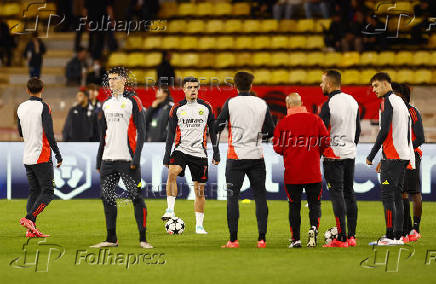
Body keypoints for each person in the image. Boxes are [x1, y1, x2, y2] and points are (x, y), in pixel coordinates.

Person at [92, 67, 151, 249]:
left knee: (136, 197)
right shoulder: (106, 103)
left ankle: (143, 239)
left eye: (116, 78)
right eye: (110, 79)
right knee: (107, 198)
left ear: (124, 80)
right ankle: (111, 239)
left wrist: (136, 158)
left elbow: (142, 132)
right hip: (108, 160)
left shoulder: (133, 100)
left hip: (127, 160)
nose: (112, 82)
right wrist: (98, 158)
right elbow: (103, 135)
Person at [215, 71, 275, 248]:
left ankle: (233, 240)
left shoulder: (231, 103)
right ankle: (261, 239)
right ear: (251, 85)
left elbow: (218, 125)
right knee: (260, 196)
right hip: (256, 156)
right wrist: (258, 137)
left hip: (236, 157)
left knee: (232, 197)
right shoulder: (261, 103)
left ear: (235, 85)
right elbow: (271, 131)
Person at [162, 77, 220, 234]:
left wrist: (216, 152)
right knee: (172, 171)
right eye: (189, 87)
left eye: (195, 87)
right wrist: (167, 154)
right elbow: (170, 134)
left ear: (198, 89)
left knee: (199, 191)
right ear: (184, 89)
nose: (193, 90)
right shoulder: (177, 108)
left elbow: (213, 132)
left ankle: (199, 226)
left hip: (200, 153)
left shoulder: (206, 107)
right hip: (181, 149)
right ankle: (170, 210)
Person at [273, 93, 329, 248]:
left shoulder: (283, 123)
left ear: (287, 105)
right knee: (315, 204)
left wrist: (289, 151)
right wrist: (317, 152)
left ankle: (296, 239)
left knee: (294, 206)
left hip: (292, 173)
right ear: (301, 103)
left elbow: (277, 147)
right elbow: (326, 140)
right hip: (313, 171)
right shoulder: (315, 119)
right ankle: (313, 229)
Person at [366, 72, 415, 246]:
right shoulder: (401, 102)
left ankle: (389, 236)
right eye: (372, 87)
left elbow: (384, 130)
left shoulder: (388, 102)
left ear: (386, 84)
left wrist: (372, 154)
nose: (374, 90)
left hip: (392, 158)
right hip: (402, 156)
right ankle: (399, 236)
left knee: (388, 195)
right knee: (397, 196)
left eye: (376, 85)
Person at [319, 70, 360, 248]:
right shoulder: (352, 101)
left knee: (337, 194)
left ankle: (340, 237)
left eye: (322, 82)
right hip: (350, 153)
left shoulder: (329, 103)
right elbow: (357, 130)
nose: (321, 85)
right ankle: (351, 236)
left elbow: (320, 130)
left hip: (333, 155)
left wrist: (320, 150)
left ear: (329, 84)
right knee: (349, 193)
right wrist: (351, 146)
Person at [17, 78, 63, 237]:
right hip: (41, 155)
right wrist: (57, 153)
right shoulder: (44, 107)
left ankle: (31, 229)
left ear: (27, 90)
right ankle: (30, 218)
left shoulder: (21, 107)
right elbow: (49, 133)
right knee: (48, 191)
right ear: (42, 88)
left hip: (27, 156)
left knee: (34, 190)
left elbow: (21, 132)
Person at [391, 83, 424, 242]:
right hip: (397, 157)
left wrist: (408, 150)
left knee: (414, 192)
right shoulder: (394, 112)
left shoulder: (412, 111)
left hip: (411, 156)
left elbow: (420, 137)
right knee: (401, 192)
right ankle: (406, 227)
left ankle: (415, 229)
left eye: (393, 94)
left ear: (400, 95)